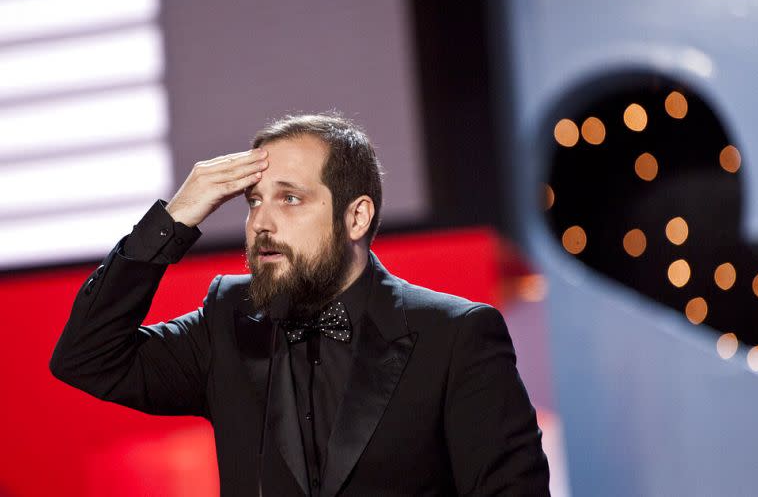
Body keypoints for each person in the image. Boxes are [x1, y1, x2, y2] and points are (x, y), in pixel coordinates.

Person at [50, 113, 551, 497]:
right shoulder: (229, 322)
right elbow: (87, 356)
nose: (261, 223)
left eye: (289, 199)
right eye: (252, 201)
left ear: (356, 217)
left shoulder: (455, 334)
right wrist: (175, 219)